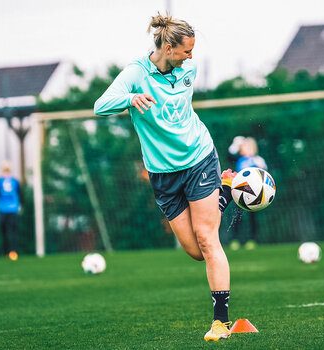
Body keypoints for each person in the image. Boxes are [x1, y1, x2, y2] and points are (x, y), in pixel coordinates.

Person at [94, 12, 236, 341]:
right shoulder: (135, 73)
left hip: (198, 158)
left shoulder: (189, 69)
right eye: (186, 51)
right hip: (162, 174)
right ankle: (225, 193)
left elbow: (179, 106)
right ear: (168, 48)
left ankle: (220, 323)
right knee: (194, 251)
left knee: (207, 239)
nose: (191, 57)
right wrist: (129, 99)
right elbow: (101, 104)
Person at [229, 137, 267, 250]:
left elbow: (264, 175)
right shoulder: (238, 159)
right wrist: (235, 144)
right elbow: (229, 155)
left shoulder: (258, 160)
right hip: (239, 192)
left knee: (252, 217)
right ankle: (234, 240)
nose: (245, 148)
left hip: (254, 194)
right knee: (237, 216)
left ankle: (252, 239)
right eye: (244, 146)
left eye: (248, 146)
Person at [0, 161, 22, 261]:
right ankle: (9, 252)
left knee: (8, 232)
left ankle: (9, 252)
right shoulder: (14, 181)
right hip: (10, 209)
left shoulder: (0, 181)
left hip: (6, 209)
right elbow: (21, 194)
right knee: (9, 232)